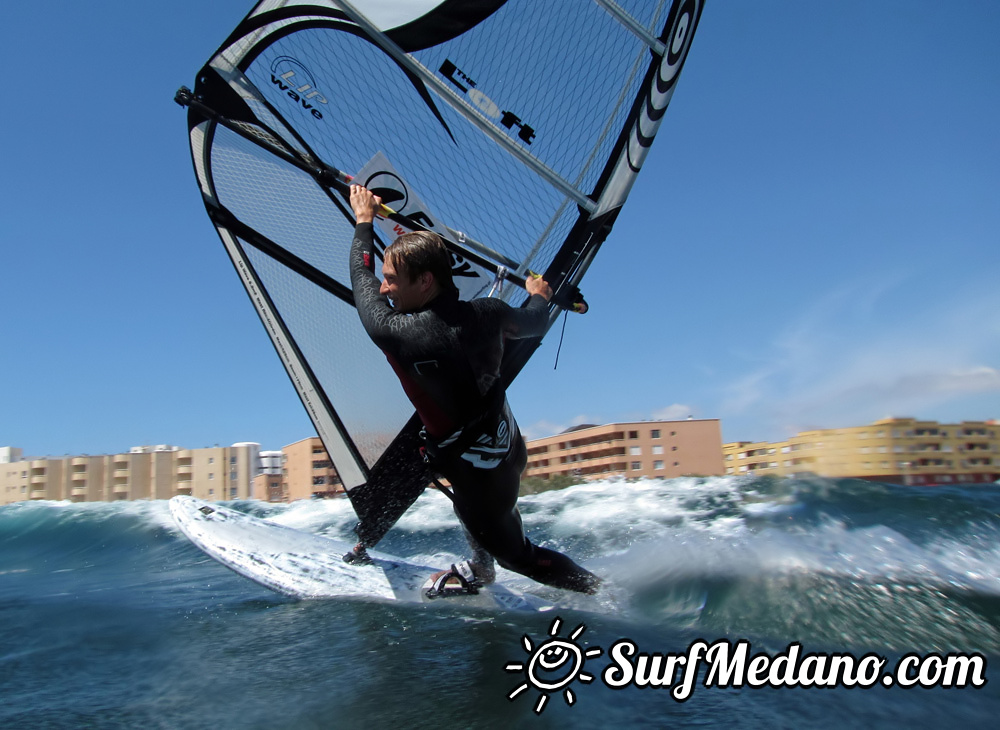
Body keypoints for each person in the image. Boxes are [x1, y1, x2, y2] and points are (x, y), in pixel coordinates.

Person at [345, 184, 600, 596]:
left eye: (392, 280)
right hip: (507, 446)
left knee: (519, 555)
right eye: (386, 280)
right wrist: (538, 296)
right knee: (437, 462)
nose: (385, 289)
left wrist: (363, 220)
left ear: (425, 281)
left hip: (481, 477)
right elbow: (535, 322)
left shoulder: (399, 333)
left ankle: (603, 591)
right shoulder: (491, 314)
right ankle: (480, 570)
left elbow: (361, 278)